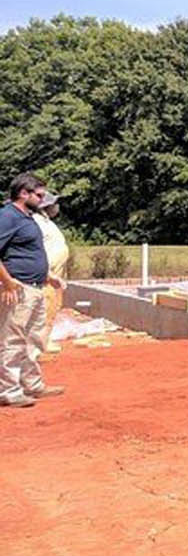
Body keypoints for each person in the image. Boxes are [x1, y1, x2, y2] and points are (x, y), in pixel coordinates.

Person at [0, 173, 66, 407]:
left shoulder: (28, 218)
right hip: (19, 289)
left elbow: (27, 253)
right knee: (12, 339)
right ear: (23, 194)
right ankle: (8, 390)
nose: (42, 199)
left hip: (37, 287)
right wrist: (7, 282)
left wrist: (48, 276)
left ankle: (32, 384)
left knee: (33, 339)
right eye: (39, 195)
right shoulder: (7, 216)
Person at [36, 191, 69, 353]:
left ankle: (44, 341)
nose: (57, 207)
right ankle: (39, 345)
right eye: (54, 204)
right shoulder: (37, 222)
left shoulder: (46, 221)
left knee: (52, 307)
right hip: (45, 275)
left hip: (54, 274)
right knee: (44, 309)